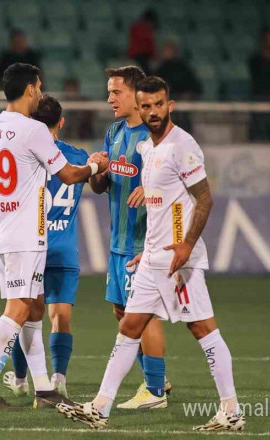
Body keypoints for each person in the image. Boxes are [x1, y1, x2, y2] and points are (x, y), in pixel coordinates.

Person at [57, 76, 245, 431]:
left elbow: (204, 198)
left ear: (169, 105)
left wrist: (186, 246)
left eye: (159, 104)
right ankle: (100, 407)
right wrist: (148, 251)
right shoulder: (148, 149)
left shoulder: (182, 146)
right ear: (139, 109)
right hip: (152, 256)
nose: (153, 112)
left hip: (179, 261)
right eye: (147, 106)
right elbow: (163, 207)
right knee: (128, 326)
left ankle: (231, 410)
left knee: (204, 330)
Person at [0, 63, 108, 410]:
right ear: (28, 90)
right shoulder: (34, 130)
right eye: (38, 87)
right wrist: (97, 166)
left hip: (5, 231)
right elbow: (69, 175)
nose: (40, 93)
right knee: (19, 308)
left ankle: (43, 387)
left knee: (35, 307)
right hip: (28, 234)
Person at [89, 65, 171, 409]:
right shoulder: (114, 132)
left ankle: (154, 392)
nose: (110, 98)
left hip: (144, 244)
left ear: (137, 95)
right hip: (118, 242)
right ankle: (157, 377)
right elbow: (99, 187)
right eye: (109, 91)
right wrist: (97, 168)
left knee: (143, 315)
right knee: (122, 313)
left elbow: (178, 188)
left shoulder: (157, 139)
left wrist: (151, 191)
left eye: (116, 92)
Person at [0, 95, 90, 398]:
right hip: (64, 248)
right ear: (61, 122)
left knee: (24, 314)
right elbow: (95, 181)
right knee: (60, 315)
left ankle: (22, 380)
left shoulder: (27, 153)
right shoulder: (77, 156)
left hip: (32, 245)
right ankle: (59, 378)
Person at [126, 9, 159, 75]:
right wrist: (153, 57)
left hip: (138, 55)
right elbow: (149, 44)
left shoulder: (135, 26)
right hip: (140, 56)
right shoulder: (144, 29)